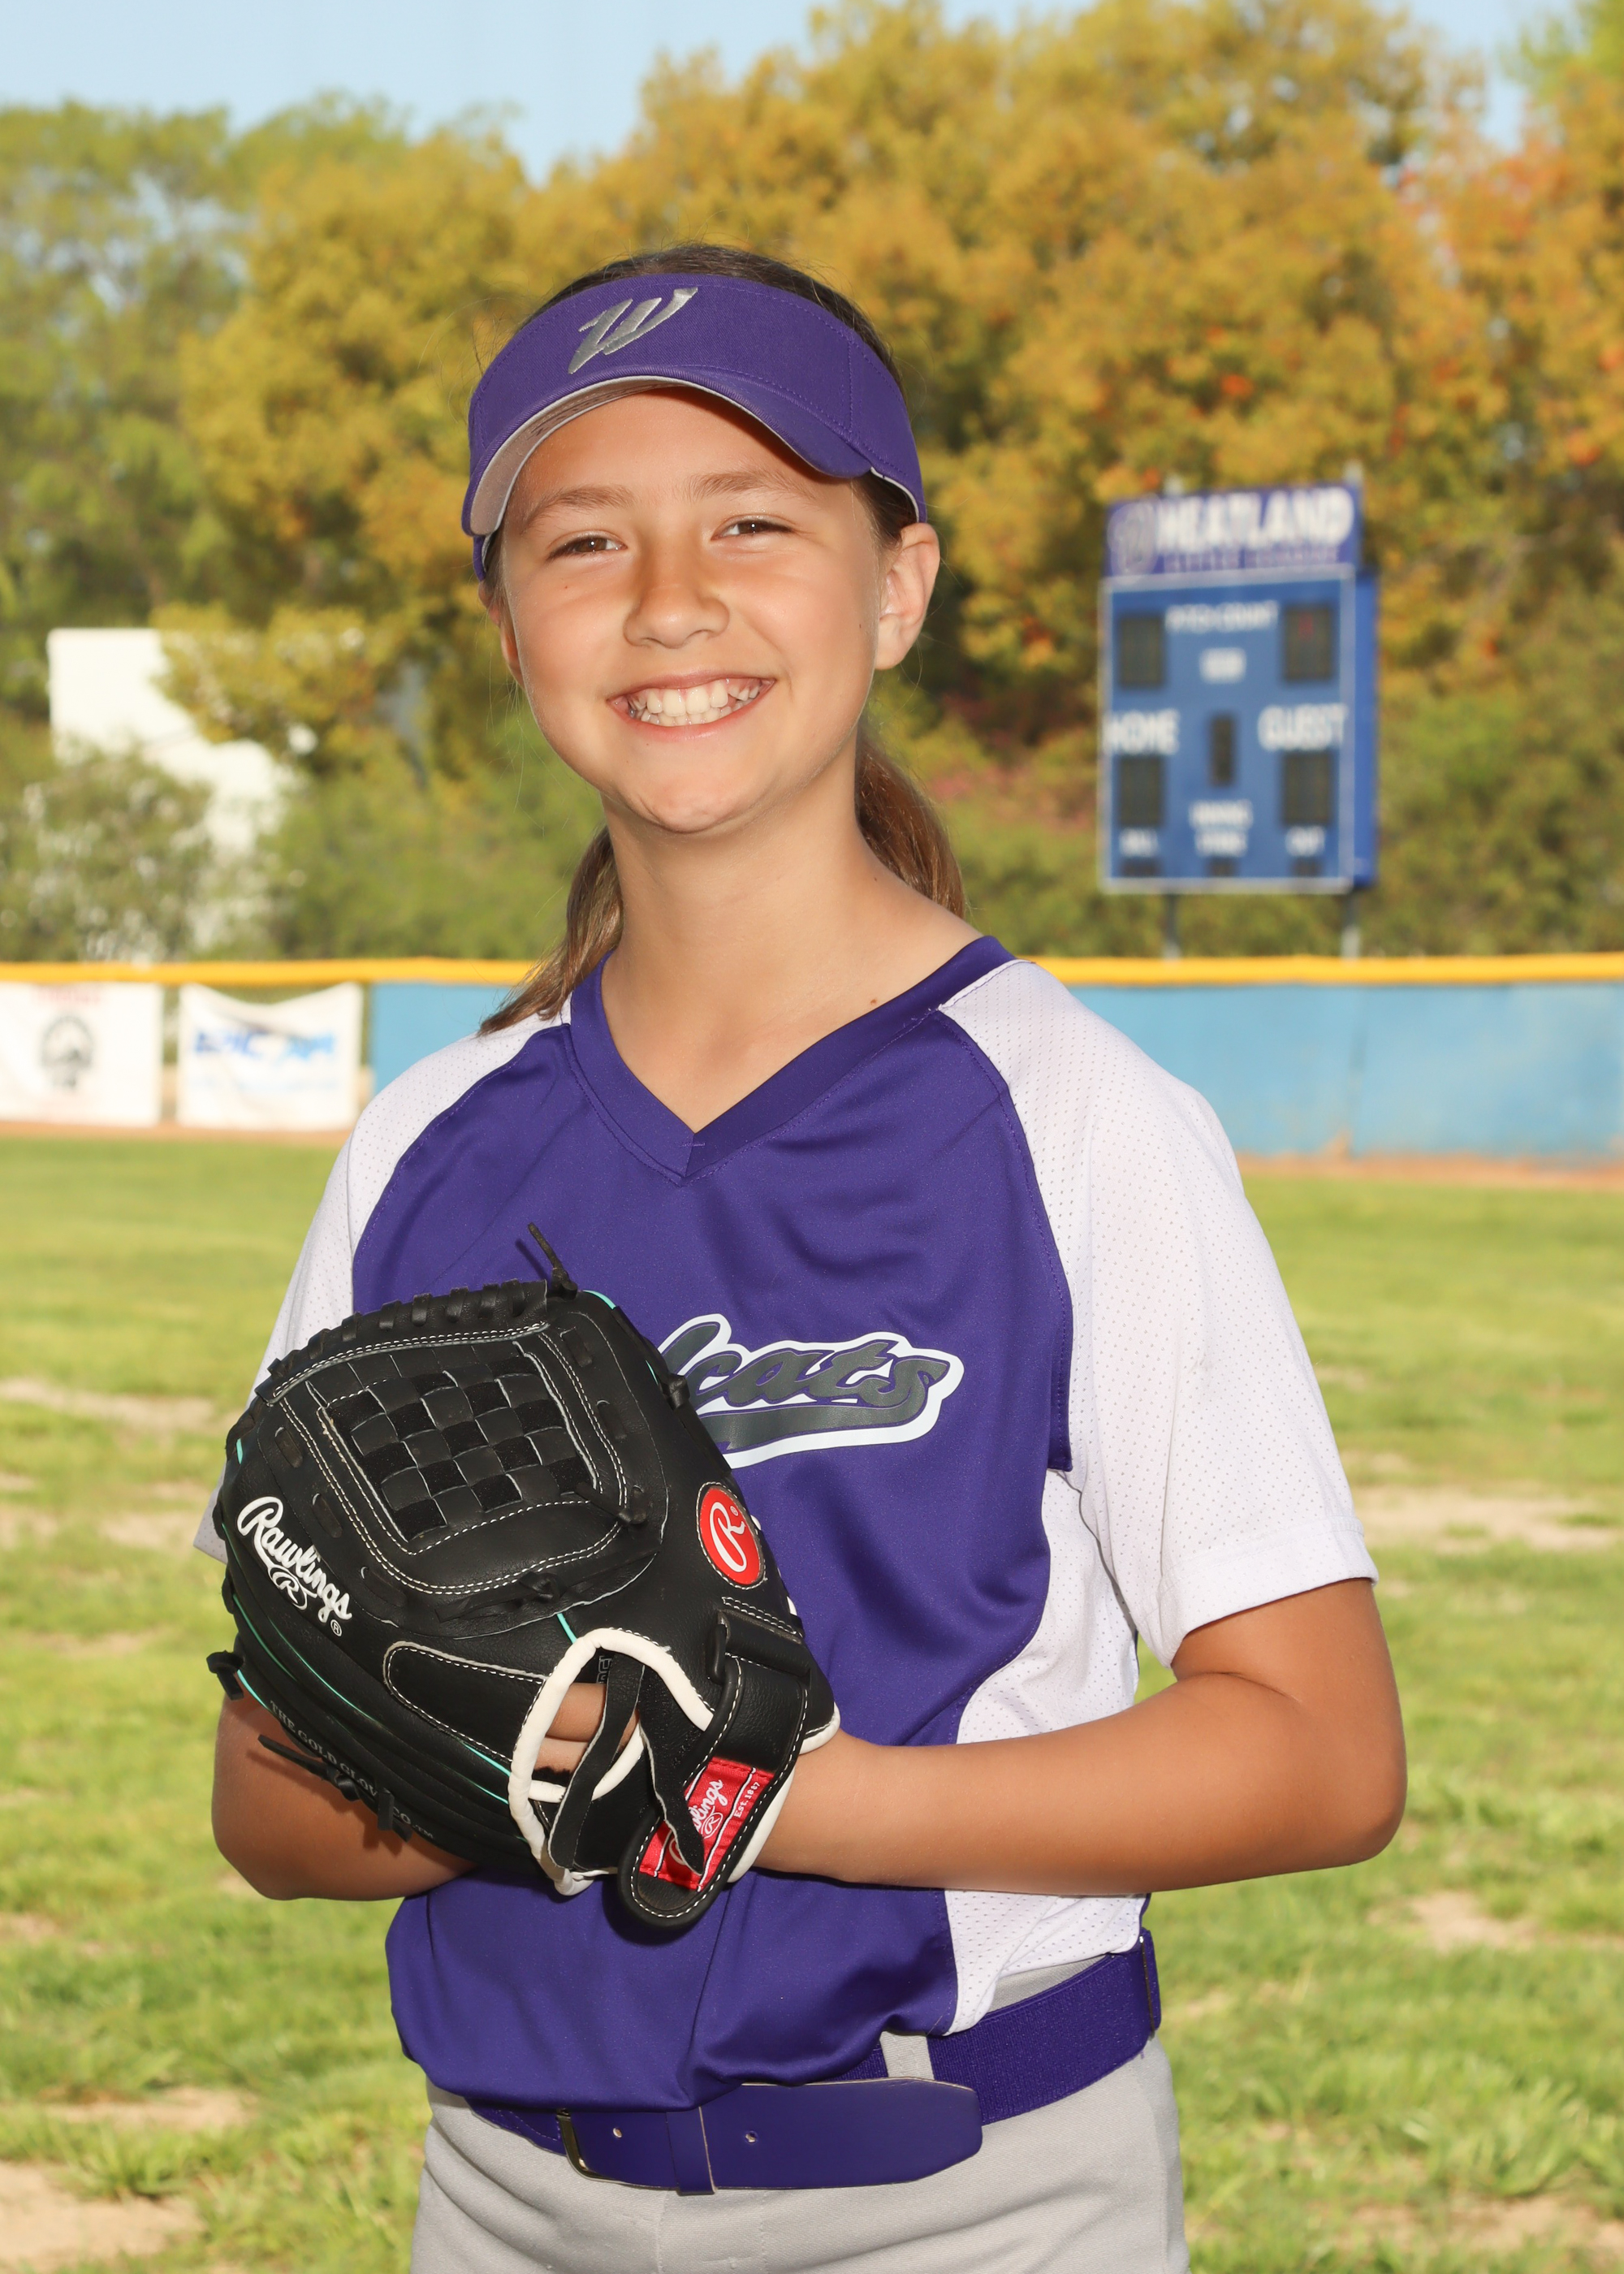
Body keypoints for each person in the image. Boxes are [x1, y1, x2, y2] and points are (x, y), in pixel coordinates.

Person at [203, 243, 1405, 2272]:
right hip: (505, 2195)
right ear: (508, 625)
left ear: (899, 584)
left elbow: (1319, 1747)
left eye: (753, 520)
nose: (670, 597)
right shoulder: (424, 1148)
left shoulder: (1071, 1115)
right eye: (583, 539)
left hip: (968, 2191)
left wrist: (761, 1789)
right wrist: (488, 1752)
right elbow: (266, 1799)